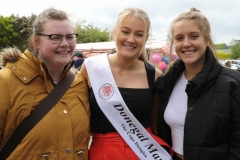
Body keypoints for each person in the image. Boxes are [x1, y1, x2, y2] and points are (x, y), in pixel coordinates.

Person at [80, 7, 172, 160]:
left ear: (146, 38)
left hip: (144, 153)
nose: (131, 39)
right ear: (115, 32)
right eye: (125, 31)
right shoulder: (91, 67)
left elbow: (157, 123)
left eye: (139, 34)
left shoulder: (154, 75)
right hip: (102, 153)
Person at [0, 8, 90, 159]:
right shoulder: (7, 81)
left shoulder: (80, 84)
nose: (65, 43)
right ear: (36, 42)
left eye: (69, 37)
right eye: (55, 37)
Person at [154, 7, 240, 160]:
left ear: (207, 39)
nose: (186, 44)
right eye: (179, 38)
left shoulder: (232, 84)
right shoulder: (166, 83)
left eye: (193, 36)